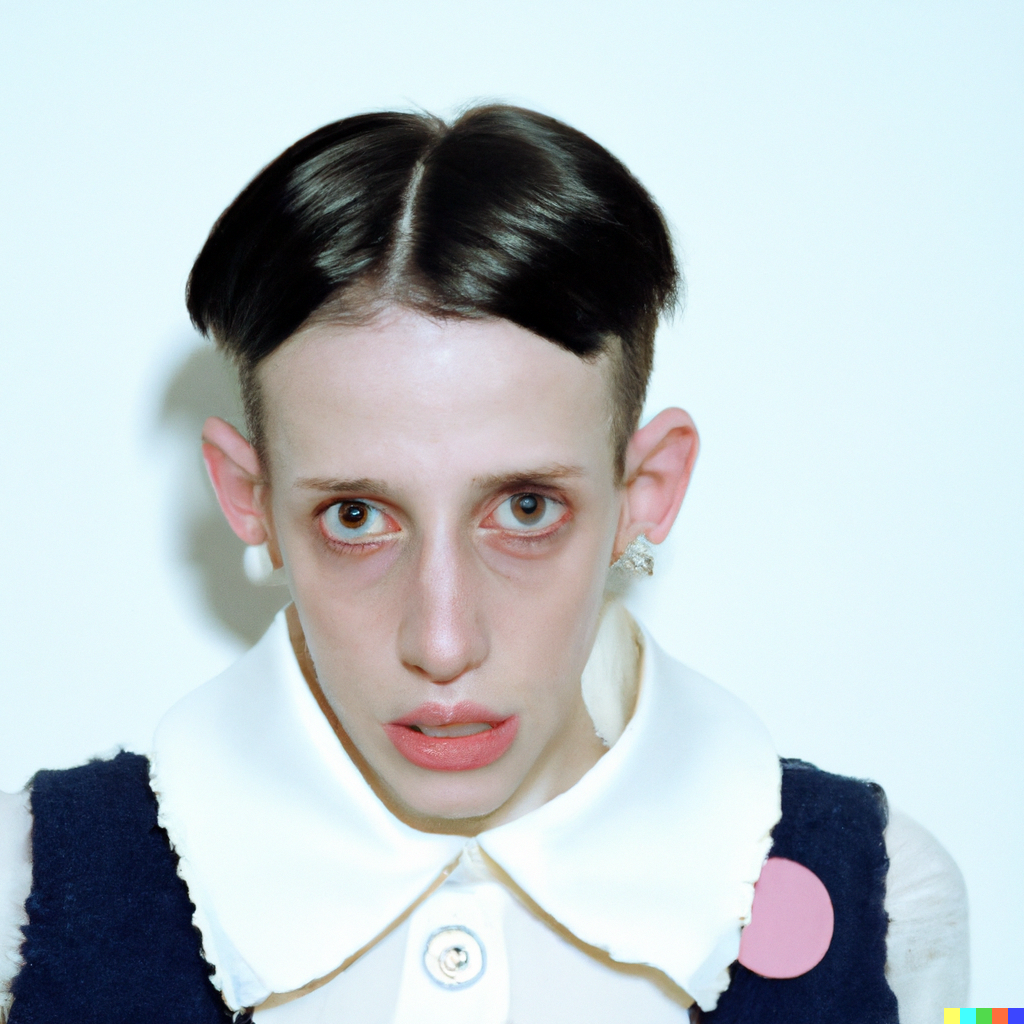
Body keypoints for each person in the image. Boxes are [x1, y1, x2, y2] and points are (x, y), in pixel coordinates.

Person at [0, 105, 967, 1023]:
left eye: (526, 509)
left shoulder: (895, 899)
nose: (443, 641)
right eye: (355, 516)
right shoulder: (21, 890)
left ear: (647, 489)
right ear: (247, 497)